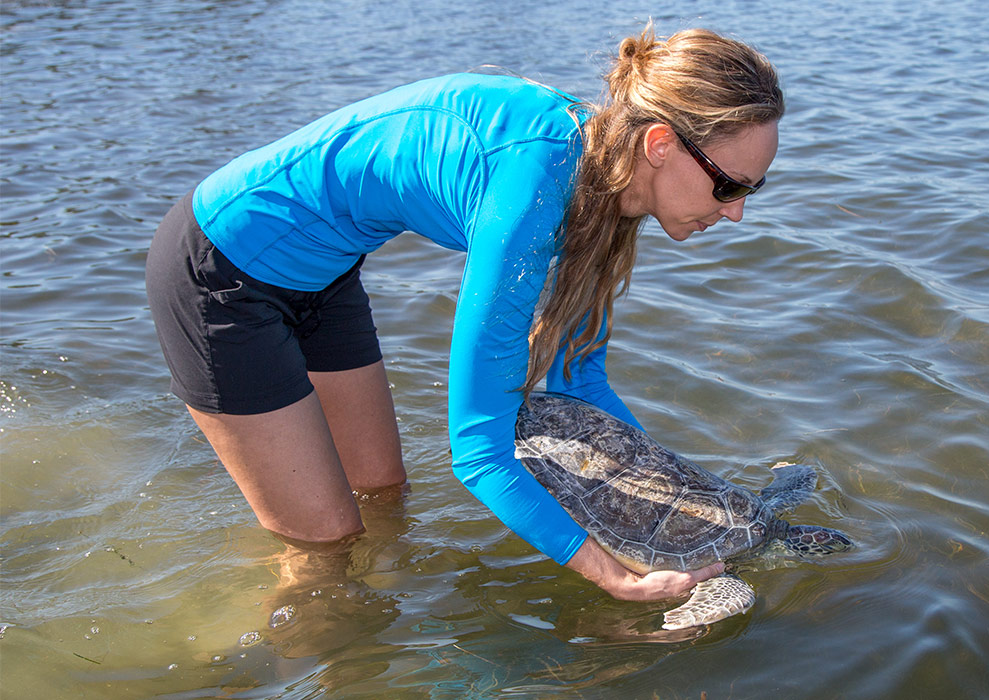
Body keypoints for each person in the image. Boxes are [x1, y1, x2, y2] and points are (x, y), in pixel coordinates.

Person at [145, 23, 782, 601]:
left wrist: (679, 501)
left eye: (751, 190)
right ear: (662, 144)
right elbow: (478, 449)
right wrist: (612, 575)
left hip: (327, 275)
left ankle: (390, 616)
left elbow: (577, 382)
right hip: (220, 271)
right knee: (327, 545)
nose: (736, 212)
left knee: (383, 494)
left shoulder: (604, 181)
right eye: (729, 186)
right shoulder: (534, 193)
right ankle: (294, 660)